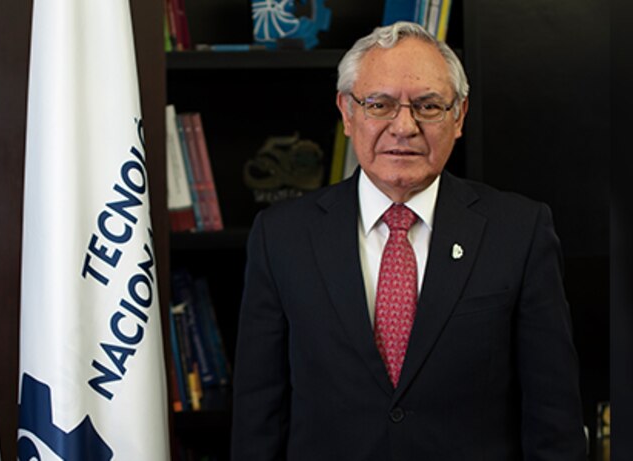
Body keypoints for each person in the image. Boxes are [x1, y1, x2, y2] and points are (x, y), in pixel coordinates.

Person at [230, 21, 585, 460]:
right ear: (347, 112)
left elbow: (554, 419)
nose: (404, 127)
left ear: (459, 116)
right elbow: (258, 416)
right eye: (379, 104)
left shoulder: (520, 231)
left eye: (429, 106)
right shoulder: (282, 236)